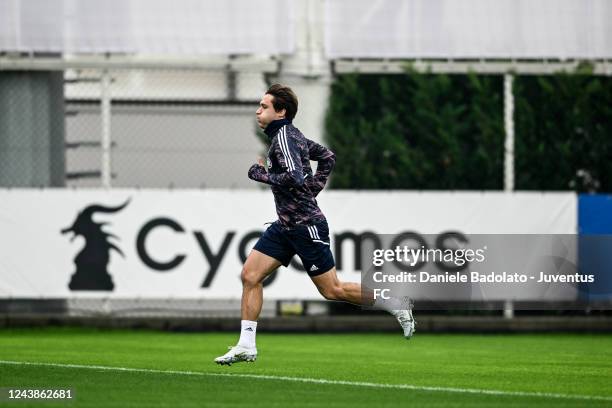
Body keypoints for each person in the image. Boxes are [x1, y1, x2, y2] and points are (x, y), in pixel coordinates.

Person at [214, 84, 415, 365]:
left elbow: (295, 177)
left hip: (306, 225)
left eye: (264, 106)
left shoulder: (284, 136)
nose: (258, 111)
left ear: (281, 111)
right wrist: (313, 189)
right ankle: (246, 345)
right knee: (250, 276)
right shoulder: (289, 136)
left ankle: (395, 303)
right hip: (285, 226)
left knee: (332, 290)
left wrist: (261, 174)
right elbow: (327, 157)